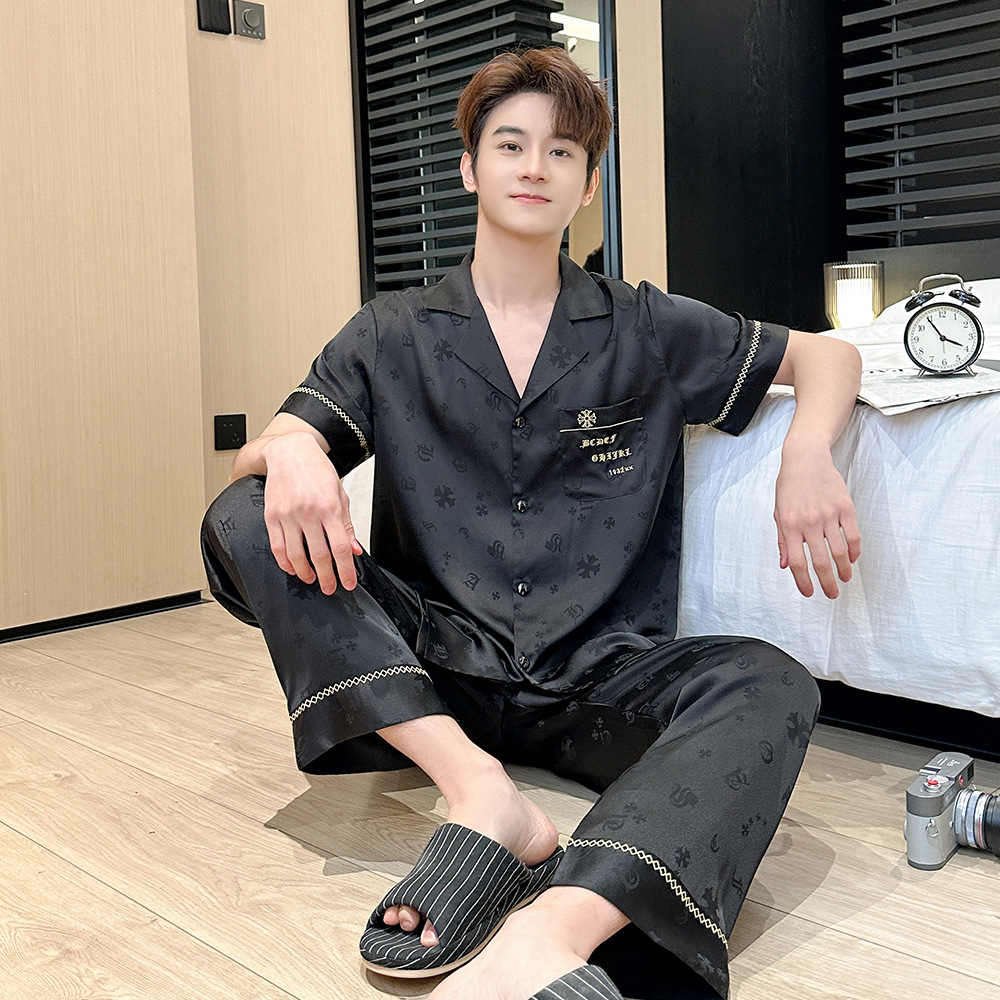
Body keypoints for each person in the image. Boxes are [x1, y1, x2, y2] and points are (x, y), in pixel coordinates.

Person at [202, 47, 862, 1000]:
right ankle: (482, 793)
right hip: (436, 668)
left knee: (770, 681)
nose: (533, 167)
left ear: (587, 185)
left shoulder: (646, 326)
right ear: (470, 167)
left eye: (561, 152)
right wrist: (293, 445)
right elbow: (254, 472)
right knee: (243, 509)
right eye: (509, 145)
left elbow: (828, 356)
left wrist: (808, 453)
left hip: (600, 677)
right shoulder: (390, 331)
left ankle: (555, 929)